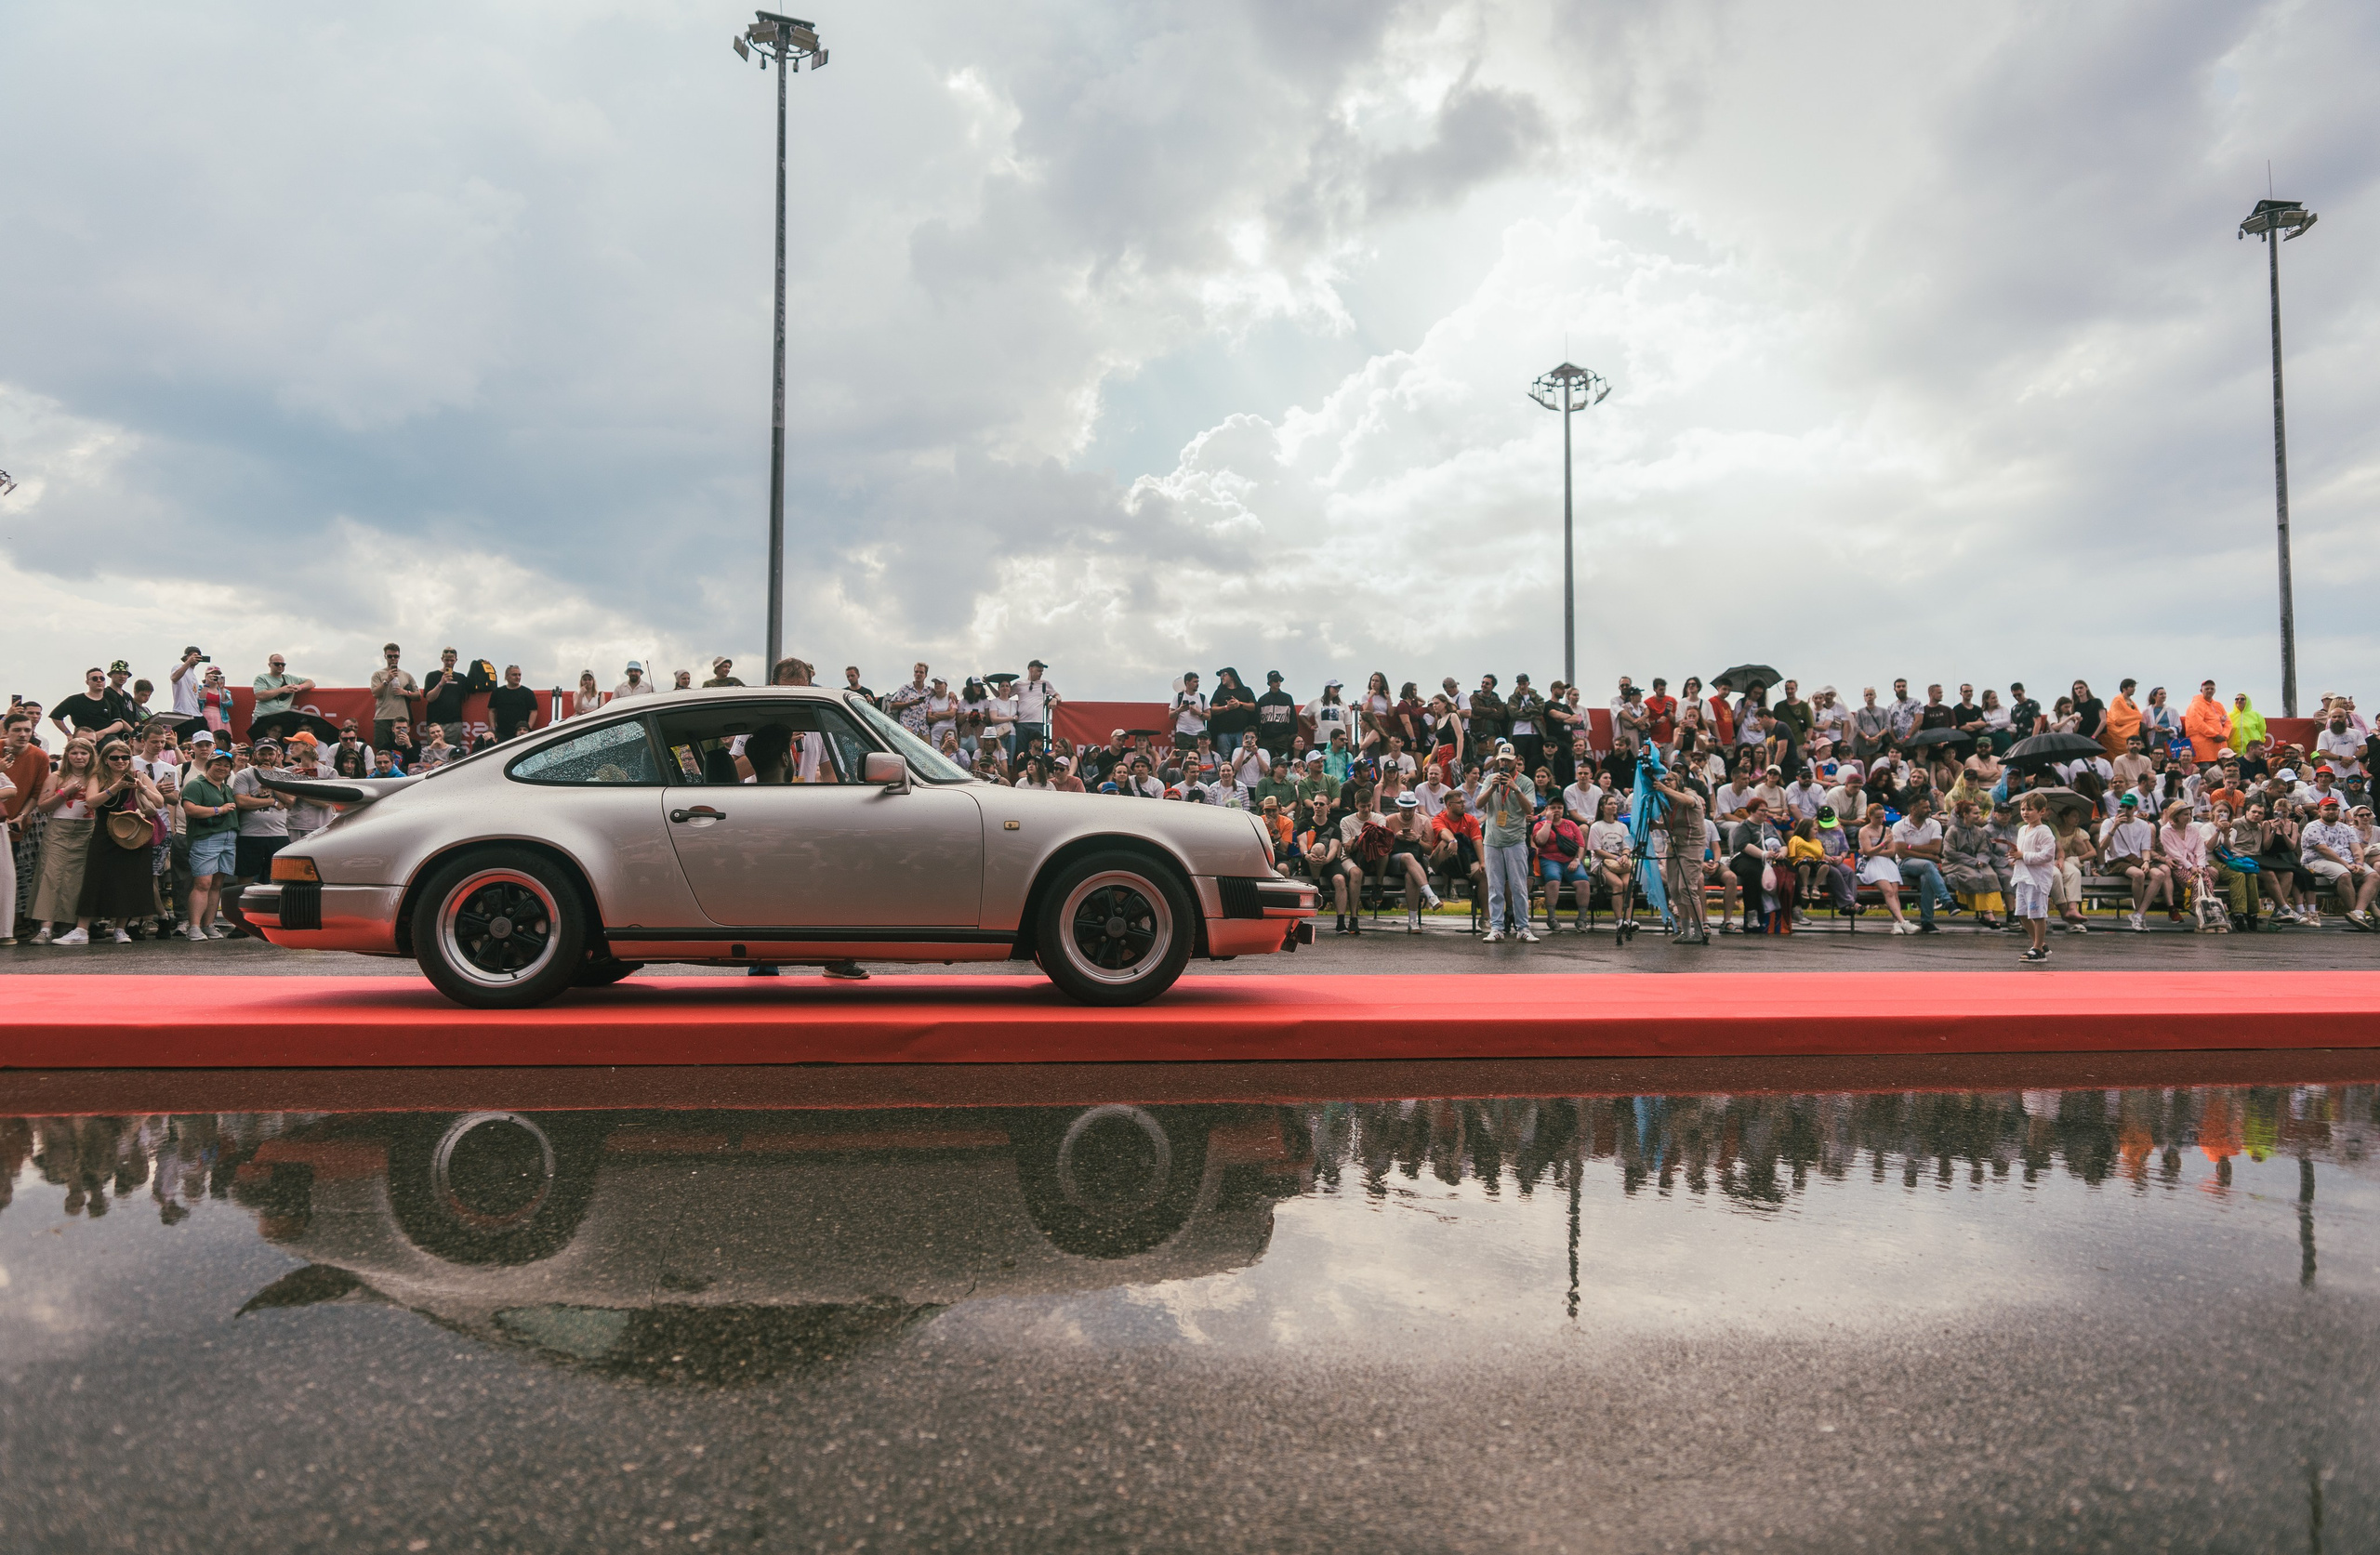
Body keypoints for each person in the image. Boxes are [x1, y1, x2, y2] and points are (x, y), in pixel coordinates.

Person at [69, 742, 163, 943]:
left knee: (129, 881)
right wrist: (115, 788)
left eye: (125, 757)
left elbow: (159, 802)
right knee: (95, 879)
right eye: (115, 757)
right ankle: (81, 930)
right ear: (105, 759)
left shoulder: (139, 775)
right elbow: (91, 802)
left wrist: (142, 788)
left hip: (134, 833)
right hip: (105, 832)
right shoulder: (98, 777)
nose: (120, 761)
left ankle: (121, 929)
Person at [26, 738, 102, 943]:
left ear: (91, 756)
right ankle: (45, 929)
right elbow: (43, 807)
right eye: (74, 753)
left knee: (76, 879)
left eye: (84, 753)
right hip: (58, 828)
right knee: (51, 876)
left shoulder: (96, 777)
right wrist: (64, 793)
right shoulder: (56, 776)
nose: (79, 757)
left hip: (86, 830)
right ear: (67, 755)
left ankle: (69, 926)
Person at [1476, 745, 1538, 943]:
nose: (1504, 763)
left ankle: (1523, 928)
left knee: (1519, 886)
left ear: (1516, 760)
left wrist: (1515, 788)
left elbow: (1529, 810)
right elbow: (1478, 804)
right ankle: (1496, 928)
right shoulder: (1490, 779)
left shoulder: (1525, 782)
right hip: (1492, 840)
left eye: (1508, 760)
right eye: (1501, 759)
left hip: (1515, 840)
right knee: (1495, 886)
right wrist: (1492, 788)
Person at [179, 747, 242, 941]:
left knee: (217, 884)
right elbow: (190, 809)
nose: (222, 768)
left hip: (228, 839)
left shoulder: (226, 788)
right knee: (203, 883)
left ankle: (208, 925)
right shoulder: (196, 785)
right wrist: (219, 810)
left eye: (226, 765)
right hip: (206, 838)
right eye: (218, 764)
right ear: (209, 765)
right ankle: (194, 927)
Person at [2301, 797, 2377, 929]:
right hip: (2318, 860)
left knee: (2373, 876)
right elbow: (2323, 850)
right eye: (2327, 809)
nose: (2331, 811)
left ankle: (2358, 913)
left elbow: (2357, 848)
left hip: (2348, 862)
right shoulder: (2312, 827)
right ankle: (2355, 912)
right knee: (2344, 874)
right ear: (2320, 811)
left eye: (2334, 809)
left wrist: (2359, 864)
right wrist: (2346, 865)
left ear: (2338, 810)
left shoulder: (2346, 828)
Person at [2096, 793, 2169, 929]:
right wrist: (2114, 827)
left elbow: (2145, 848)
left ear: (2136, 808)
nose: (2125, 810)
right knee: (2139, 874)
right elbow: (2102, 846)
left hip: (2137, 859)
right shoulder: (2109, 822)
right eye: (2122, 806)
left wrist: (2146, 861)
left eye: (2129, 807)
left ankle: (2139, 914)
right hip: (2117, 860)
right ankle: (2138, 914)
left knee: (2159, 875)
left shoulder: (2143, 825)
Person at [1941, 798, 2005, 929]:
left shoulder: (1979, 831)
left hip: (1978, 863)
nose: (1979, 816)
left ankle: (1989, 912)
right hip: (1955, 863)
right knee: (1974, 876)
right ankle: (1986, 914)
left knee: (1991, 875)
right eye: (1975, 813)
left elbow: (1984, 850)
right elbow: (1949, 852)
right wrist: (1973, 862)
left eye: (1979, 813)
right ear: (1965, 814)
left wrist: (1981, 861)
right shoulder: (1952, 831)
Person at [1301, 795, 1360, 934]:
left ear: (1328, 808)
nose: (1318, 806)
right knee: (1318, 848)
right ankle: (1317, 883)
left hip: (1329, 861)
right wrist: (1306, 855)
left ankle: (1341, 922)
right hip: (1309, 862)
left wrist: (1326, 860)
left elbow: (1333, 848)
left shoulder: (1334, 827)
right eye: (1315, 803)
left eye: (1321, 804)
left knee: (1340, 880)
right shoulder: (1304, 823)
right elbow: (1302, 843)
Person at [2009, 794, 2057, 963]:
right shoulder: (2022, 829)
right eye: (2023, 809)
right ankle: (2040, 943)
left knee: (2037, 914)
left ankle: (2037, 949)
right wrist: (2014, 857)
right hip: (2022, 876)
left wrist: (2024, 856)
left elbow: (2047, 855)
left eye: (2030, 809)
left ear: (2042, 811)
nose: (2025, 812)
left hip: (2037, 879)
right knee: (2022, 913)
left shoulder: (2044, 831)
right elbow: (2021, 851)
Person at [1532, 800, 1589, 931]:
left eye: (1560, 807)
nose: (1556, 810)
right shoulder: (1540, 825)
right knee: (1553, 880)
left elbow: (1581, 845)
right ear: (1547, 809)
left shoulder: (1571, 824)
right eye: (1553, 807)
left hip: (1570, 860)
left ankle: (1582, 919)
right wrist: (1548, 822)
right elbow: (1540, 841)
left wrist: (1577, 860)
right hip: (1549, 859)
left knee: (1583, 883)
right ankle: (1551, 918)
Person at [1427, 790, 1487, 912]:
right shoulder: (1438, 819)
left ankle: (1486, 917)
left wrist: (1482, 862)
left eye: (1463, 802)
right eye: (1459, 803)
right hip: (1440, 862)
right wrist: (1453, 841)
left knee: (1484, 874)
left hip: (1465, 860)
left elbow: (1477, 841)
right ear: (1449, 805)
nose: (1464, 805)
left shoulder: (1471, 820)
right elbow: (1443, 832)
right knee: (1445, 843)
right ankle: (1448, 884)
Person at [51, 667, 135, 746]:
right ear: (87, 682)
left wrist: (103, 733)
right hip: (83, 741)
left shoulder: (111, 704)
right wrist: (68, 734)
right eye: (95, 679)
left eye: (102, 678)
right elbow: (56, 716)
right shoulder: (75, 700)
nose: (99, 681)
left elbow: (118, 724)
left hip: (106, 741)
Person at [370, 645, 419, 753]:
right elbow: (375, 693)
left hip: (402, 718)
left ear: (399, 656)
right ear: (385, 656)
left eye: (395, 656)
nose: (393, 659)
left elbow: (418, 696)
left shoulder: (407, 675)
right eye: (390, 656)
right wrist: (387, 680)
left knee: (402, 748)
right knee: (382, 750)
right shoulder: (378, 674)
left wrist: (406, 692)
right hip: (383, 717)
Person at [487, 665, 538, 741]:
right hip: (502, 733)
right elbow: (492, 711)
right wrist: (493, 727)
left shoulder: (527, 692)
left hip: (520, 734)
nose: (517, 677)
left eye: (519, 675)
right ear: (507, 676)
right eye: (514, 675)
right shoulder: (497, 692)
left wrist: (528, 728)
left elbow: (533, 711)